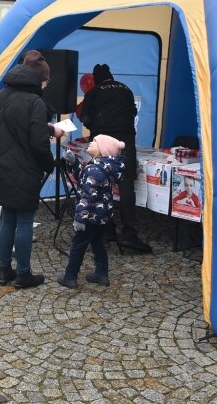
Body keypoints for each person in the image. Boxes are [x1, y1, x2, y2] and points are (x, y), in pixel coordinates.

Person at [0, 50, 57, 289]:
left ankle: (4, 271)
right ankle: (24, 274)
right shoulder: (35, 102)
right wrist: (50, 164)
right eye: (45, 81)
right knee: (25, 221)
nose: (46, 85)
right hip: (25, 169)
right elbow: (38, 143)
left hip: (0, 167)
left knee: (8, 219)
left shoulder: (1, 95)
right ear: (39, 79)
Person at [79, 63, 152, 253]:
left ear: (96, 79)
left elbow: (85, 118)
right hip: (126, 141)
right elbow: (133, 113)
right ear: (110, 76)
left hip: (103, 142)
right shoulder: (125, 89)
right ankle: (130, 234)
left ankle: (106, 230)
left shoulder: (94, 92)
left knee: (104, 185)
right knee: (126, 186)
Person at [57, 134, 125, 289]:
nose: (91, 143)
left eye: (95, 141)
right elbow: (84, 178)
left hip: (90, 215)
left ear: (102, 150)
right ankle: (102, 274)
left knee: (78, 244)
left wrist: (80, 218)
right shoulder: (101, 166)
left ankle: (70, 276)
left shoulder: (94, 169)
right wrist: (74, 163)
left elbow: (87, 195)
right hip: (102, 216)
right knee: (98, 243)